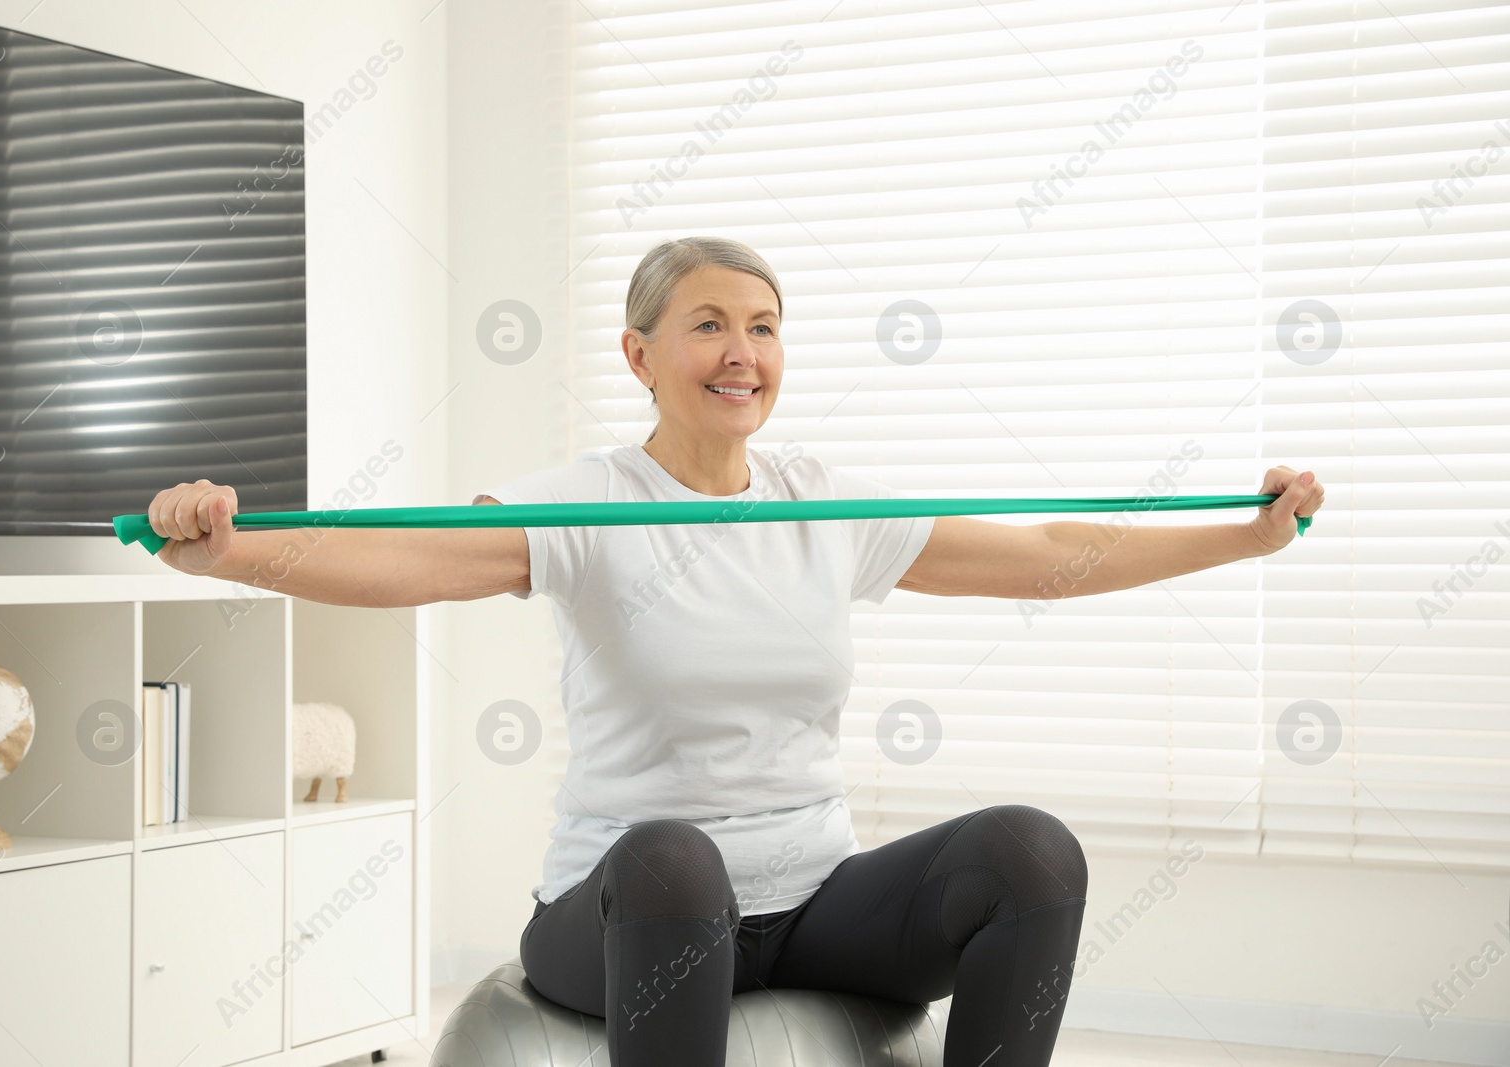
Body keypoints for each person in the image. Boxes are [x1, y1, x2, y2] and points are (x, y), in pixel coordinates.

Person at [145, 236, 1325, 1067]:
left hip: (815, 902)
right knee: (673, 856)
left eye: (761, 326)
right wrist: (229, 553)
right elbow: (410, 561)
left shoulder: (821, 499)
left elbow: (1043, 551)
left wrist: (1241, 537)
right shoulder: (589, 499)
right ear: (638, 352)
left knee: (1030, 850)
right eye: (707, 323)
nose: (740, 349)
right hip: (626, 910)